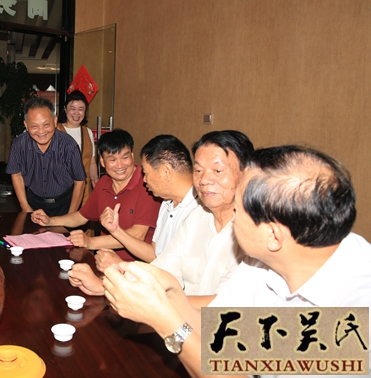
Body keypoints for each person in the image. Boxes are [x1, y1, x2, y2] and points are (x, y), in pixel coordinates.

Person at [102, 145, 371, 378]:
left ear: (273, 235)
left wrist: (165, 321)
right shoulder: (265, 262)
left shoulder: (356, 310)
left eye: (238, 210)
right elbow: (222, 330)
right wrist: (169, 292)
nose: (231, 213)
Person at [70, 130, 251, 295]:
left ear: (247, 173)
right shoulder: (194, 217)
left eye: (218, 170)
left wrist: (120, 275)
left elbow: (225, 309)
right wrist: (105, 286)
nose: (204, 180)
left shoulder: (253, 231)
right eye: (198, 170)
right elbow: (163, 267)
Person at [31, 129, 160, 263]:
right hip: (104, 261)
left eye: (125, 157)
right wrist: (50, 220)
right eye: (112, 160)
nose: (120, 165)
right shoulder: (103, 182)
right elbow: (81, 217)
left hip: (137, 267)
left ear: (132, 156)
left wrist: (90, 242)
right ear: (102, 162)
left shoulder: (147, 185)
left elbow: (138, 235)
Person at [92, 135, 200, 267]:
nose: (144, 180)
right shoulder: (166, 203)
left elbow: (180, 272)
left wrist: (122, 266)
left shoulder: (201, 211)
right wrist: (116, 231)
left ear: (166, 171)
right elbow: (154, 255)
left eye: (146, 173)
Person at [6, 97, 86, 216]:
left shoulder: (69, 146)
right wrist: (25, 206)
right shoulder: (19, 145)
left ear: (55, 121)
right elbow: (16, 174)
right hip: (33, 202)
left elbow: (80, 181)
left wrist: (71, 216)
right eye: (34, 126)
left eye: (46, 125)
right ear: (26, 125)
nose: (41, 131)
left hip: (64, 203)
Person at [57, 90, 98, 206]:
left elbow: (91, 161)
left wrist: (95, 178)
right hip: (61, 191)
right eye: (73, 108)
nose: (76, 113)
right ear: (65, 109)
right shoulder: (55, 132)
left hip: (84, 191)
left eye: (81, 109)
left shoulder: (87, 132)